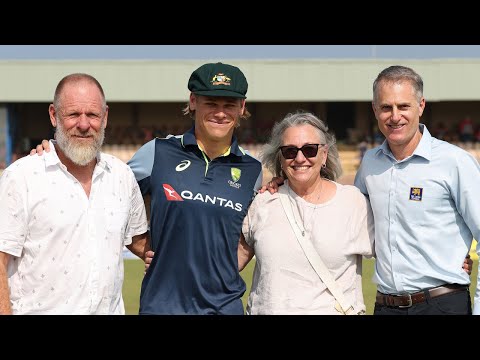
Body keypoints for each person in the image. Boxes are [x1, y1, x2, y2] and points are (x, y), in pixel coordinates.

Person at [32, 63, 263, 314]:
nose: (220, 113)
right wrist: (56, 151)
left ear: (242, 107)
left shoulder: (253, 170)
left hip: (225, 307)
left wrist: (232, 262)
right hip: (162, 306)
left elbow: (257, 231)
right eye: (211, 103)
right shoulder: (157, 152)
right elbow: (104, 187)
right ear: (193, 101)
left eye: (229, 104)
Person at [0, 73, 149, 315]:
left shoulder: (121, 176)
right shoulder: (21, 177)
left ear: (105, 116)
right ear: (53, 115)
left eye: (92, 115)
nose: (83, 124)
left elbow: (140, 241)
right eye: (73, 114)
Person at [354, 65, 480, 315]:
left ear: (421, 106)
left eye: (403, 106)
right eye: (386, 107)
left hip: (443, 304)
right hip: (386, 306)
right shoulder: (369, 163)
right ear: (374, 110)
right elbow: (345, 213)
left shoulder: (455, 162)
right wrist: (284, 184)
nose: (395, 116)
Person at [239, 111, 374, 314]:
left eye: (309, 149)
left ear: (324, 155)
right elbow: (231, 263)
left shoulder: (353, 202)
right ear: (281, 158)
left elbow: (393, 258)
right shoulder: (263, 202)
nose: (300, 158)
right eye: (290, 151)